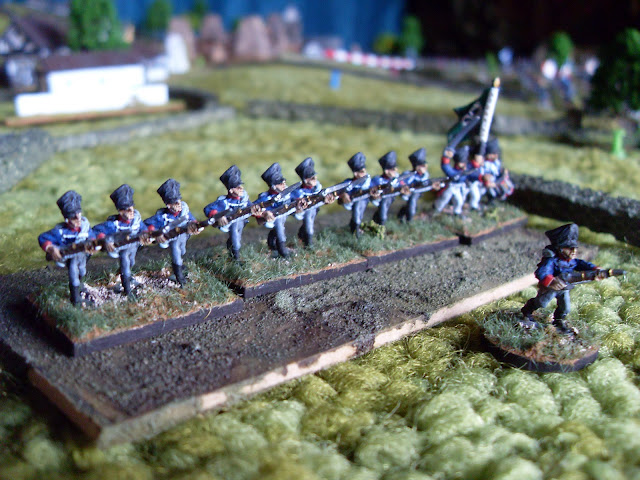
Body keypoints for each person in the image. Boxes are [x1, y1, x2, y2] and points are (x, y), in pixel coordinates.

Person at [520, 223, 605, 334]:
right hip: (551, 287)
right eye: (569, 248)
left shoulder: (572, 261)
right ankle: (527, 312)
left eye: (575, 248)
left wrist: (595, 269)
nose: (574, 251)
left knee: (565, 308)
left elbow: (582, 264)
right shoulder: (551, 260)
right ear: (560, 248)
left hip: (564, 288)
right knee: (541, 303)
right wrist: (551, 281)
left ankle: (558, 322)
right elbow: (541, 272)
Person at [38, 190, 97, 306]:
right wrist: (51, 249)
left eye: (79, 214)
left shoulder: (85, 226)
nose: (78, 218)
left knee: (82, 271)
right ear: (67, 219)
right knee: (73, 275)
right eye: (74, 217)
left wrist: (93, 244)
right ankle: (76, 300)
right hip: (70, 258)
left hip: (82, 256)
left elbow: (92, 236)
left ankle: (80, 286)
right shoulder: (60, 231)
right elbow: (43, 238)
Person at [94, 184, 150, 297]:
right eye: (127, 210)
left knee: (131, 262)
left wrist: (145, 234)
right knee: (125, 264)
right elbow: (97, 230)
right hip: (122, 248)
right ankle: (127, 290)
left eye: (132, 208)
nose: (131, 211)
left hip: (134, 246)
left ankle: (124, 277)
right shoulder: (113, 224)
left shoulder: (136, 220)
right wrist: (106, 240)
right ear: (120, 211)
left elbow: (143, 227)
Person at [144, 179, 201, 286]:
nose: (179, 204)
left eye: (179, 201)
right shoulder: (162, 217)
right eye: (175, 203)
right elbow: (149, 224)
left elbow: (192, 219)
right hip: (172, 238)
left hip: (183, 236)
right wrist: (155, 233)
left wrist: (195, 225)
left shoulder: (184, 211)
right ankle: (179, 277)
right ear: (169, 205)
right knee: (176, 253)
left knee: (182, 251)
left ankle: (179, 266)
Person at [203, 165, 251, 261]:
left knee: (237, 238)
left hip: (242, 222)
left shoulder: (244, 199)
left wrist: (258, 211)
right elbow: (208, 209)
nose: (241, 188)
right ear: (231, 190)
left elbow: (251, 207)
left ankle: (232, 252)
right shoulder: (224, 202)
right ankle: (236, 259)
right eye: (238, 187)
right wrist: (218, 216)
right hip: (231, 223)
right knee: (235, 239)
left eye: (241, 186)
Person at [290, 157, 336, 248]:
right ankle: (309, 243)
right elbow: (296, 201)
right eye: (311, 177)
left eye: (314, 176)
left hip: (314, 209)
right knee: (309, 224)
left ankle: (303, 236)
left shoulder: (317, 188)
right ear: (305, 180)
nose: (315, 178)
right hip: (305, 210)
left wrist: (326, 200)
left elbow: (320, 197)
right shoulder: (298, 192)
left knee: (309, 222)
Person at [253, 163, 295, 258]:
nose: (284, 185)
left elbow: (295, 199)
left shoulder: (287, 193)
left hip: (284, 216)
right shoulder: (265, 198)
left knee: (277, 230)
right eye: (280, 183)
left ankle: (273, 246)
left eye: (284, 182)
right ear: (273, 186)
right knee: (279, 228)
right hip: (273, 219)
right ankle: (282, 250)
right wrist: (264, 213)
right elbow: (253, 208)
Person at [397, 147, 440, 222]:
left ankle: (408, 216)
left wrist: (432, 185)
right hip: (407, 192)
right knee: (411, 204)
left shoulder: (425, 175)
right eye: (421, 166)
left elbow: (425, 183)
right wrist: (404, 186)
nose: (424, 168)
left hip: (418, 192)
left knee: (413, 203)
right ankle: (408, 219)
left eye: (424, 166)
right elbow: (400, 181)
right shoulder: (408, 174)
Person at [338, 152, 372, 237]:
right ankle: (356, 232)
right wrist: (344, 195)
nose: (364, 173)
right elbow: (339, 190)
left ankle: (355, 228)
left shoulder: (368, 181)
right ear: (355, 173)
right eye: (361, 172)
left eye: (364, 171)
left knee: (360, 215)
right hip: (354, 202)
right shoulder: (349, 183)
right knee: (357, 213)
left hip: (365, 201)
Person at [434, 145, 474, 216]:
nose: (464, 164)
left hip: (459, 187)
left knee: (459, 201)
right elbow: (445, 166)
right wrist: (446, 157)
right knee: (444, 199)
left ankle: (457, 213)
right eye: (462, 162)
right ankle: (437, 209)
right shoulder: (453, 171)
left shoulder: (465, 170)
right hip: (451, 186)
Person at [370, 151, 407, 225]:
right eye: (393, 169)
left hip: (392, 198)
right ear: (386, 171)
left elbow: (403, 185)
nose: (396, 170)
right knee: (383, 211)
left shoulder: (397, 178)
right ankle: (380, 223)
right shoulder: (378, 180)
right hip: (382, 199)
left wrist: (404, 189)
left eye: (395, 168)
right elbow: (372, 189)